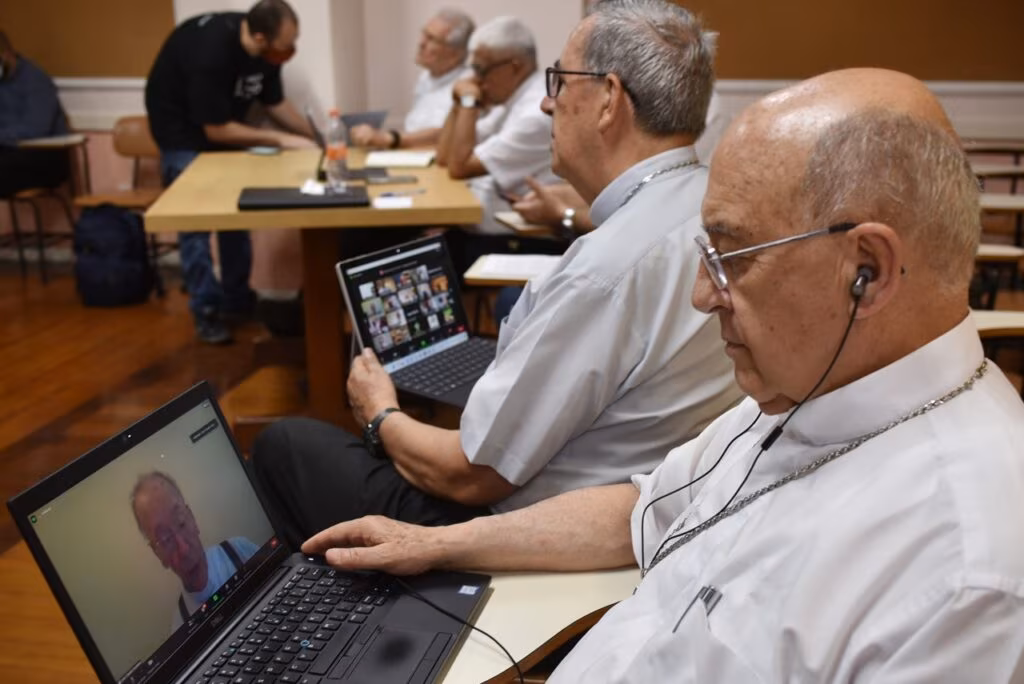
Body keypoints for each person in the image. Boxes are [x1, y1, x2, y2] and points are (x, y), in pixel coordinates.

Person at [301, 67, 1024, 681]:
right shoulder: (809, 392)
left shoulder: (964, 574)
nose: (703, 295)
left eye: (733, 257)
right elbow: (643, 509)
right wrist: (433, 545)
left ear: (866, 271)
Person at [251, 0, 741, 550]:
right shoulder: (716, 208)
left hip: (513, 529)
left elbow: (469, 475)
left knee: (284, 444)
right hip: (651, 503)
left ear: (608, 100)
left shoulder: (603, 272)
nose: (544, 100)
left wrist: (379, 412)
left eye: (559, 81)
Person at [145, 0, 315, 345]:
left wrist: (313, 136)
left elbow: (275, 103)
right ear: (259, 37)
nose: (291, 52)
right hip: (182, 134)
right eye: (286, 45)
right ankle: (205, 309)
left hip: (222, 131)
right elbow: (216, 130)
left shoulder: (265, 52)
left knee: (237, 218)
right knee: (194, 225)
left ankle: (237, 300)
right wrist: (281, 139)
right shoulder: (210, 53)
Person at [435, 16, 560, 240]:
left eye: (481, 70)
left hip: (516, 241)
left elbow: (459, 167)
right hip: (487, 228)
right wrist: (458, 102)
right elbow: (444, 156)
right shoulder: (514, 101)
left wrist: (468, 101)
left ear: (515, 67)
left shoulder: (535, 112)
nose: (477, 80)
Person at [130, 472, 259, 631]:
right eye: (165, 540)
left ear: (192, 518)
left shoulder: (239, 550)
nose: (183, 549)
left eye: (181, 522)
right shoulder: (180, 627)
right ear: (158, 554)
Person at [350, 9, 476, 150]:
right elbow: (417, 128)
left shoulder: (469, 84)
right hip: (412, 155)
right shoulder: (426, 77)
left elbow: (448, 133)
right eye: (424, 34)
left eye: (432, 39)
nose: (421, 43)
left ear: (455, 54)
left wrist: (388, 138)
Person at [0, 30, 71, 197]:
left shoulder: (35, 80)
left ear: (7, 54)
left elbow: (36, 129)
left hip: (43, 156)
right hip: (9, 153)